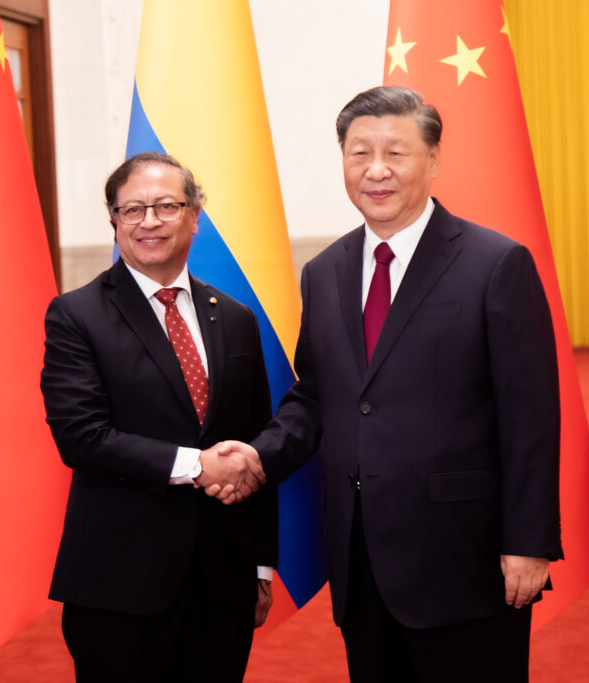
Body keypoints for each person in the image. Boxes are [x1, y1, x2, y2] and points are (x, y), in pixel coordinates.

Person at [210, 86, 563, 682]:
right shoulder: (324, 272)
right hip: (360, 556)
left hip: (464, 557)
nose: (376, 170)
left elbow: (530, 415)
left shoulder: (496, 263)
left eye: (395, 153)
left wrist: (529, 541)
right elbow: (317, 395)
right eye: (359, 153)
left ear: (433, 158)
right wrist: (257, 456)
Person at [40, 151, 276, 682]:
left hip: (222, 583)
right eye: (133, 209)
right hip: (119, 586)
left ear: (195, 216)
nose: (149, 221)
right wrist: (198, 465)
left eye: (167, 206)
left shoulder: (235, 317)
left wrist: (260, 565)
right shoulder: (76, 315)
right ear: (114, 220)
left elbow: (256, 444)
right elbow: (82, 438)